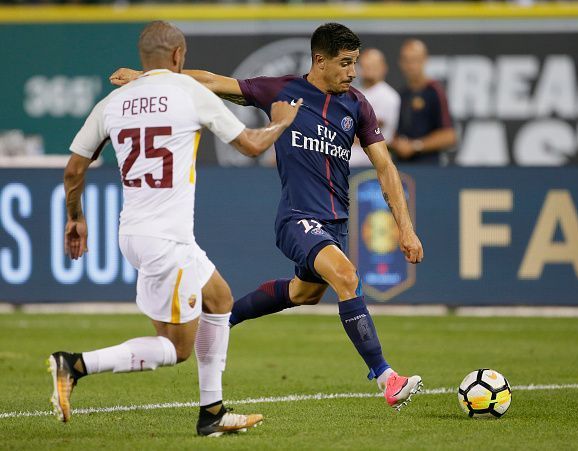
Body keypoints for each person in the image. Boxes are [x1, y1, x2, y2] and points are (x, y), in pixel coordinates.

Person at [111, 22, 424, 411]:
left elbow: (386, 168)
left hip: (335, 221)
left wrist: (405, 229)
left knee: (304, 293)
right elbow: (212, 81)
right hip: (296, 219)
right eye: (345, 63)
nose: (352, 72)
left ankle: (222, 319)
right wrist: (148, 78)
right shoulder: (282, 91)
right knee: (346, 276)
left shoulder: (357, 105)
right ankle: (386, 377)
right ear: (319, 60)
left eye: (355, 63)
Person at [50, 21, 301, 437]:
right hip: (166, 241)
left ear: (142, 58)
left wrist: (75, 217)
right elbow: (254, 145)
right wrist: (282, 119)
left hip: (134, 232)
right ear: (179, 56)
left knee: (219, 299)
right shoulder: (190, 94)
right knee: (176, 349)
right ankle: (74, 364)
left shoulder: (115, 101)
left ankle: (213, 412)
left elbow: (75, 168)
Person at [392, 39, 456, 164]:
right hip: (402, 167)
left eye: (415, 60)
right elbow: (396, 133)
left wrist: (415, 146)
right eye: (406, 60)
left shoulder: (435, 91)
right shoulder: (401, 94)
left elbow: (449, 136)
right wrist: (396, 143)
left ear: (425, 60)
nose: (410, 65)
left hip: (429, 167)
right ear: (400, 63)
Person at [350, 48, 400, 167]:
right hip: (353, 148)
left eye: (373, 65)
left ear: (383, 67)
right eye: (365, 65)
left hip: (373, 150)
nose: (369, 69)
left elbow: (367, 130)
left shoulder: (388, 95)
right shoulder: (354, 93)